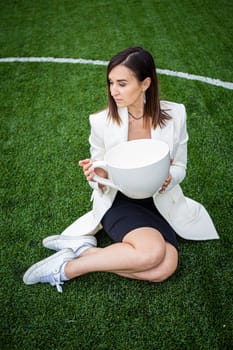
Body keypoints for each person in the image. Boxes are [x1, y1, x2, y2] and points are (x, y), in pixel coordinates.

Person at [23, 47, 219, 293]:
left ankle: (84, 250)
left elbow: (180, 166)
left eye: (122, 83)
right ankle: (65, 269)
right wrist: (98, 177)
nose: (113, 91)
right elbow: (100, 171)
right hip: (120, 200)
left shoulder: (175, 114)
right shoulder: (101, 121)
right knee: (153, 253)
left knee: (165, 267)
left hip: (160, 200)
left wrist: (169, 178)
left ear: (145, 83)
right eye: (111, 83)